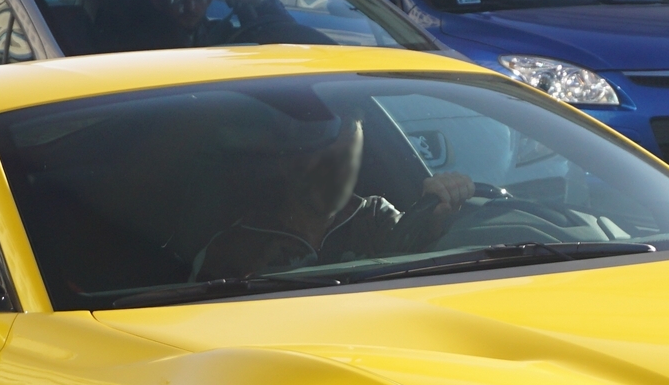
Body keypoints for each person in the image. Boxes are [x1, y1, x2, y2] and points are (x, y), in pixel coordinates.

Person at [191, 115, 472, 281]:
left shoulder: (375, 216)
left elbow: (421, 251)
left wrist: (439, 214)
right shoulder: (234, 244)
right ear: (289, 164)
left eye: (349, 160)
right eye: (327, 161)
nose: (340, 173)